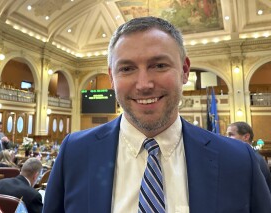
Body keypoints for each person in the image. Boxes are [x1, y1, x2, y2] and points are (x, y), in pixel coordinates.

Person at [43, 16, 271, 212]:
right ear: (112, 78)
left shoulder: (240, 160)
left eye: (159, 65)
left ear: (184, 70)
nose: (143, 84)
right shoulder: (75, 152)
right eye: (127, 68)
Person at [226, 121, 271, 193]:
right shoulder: (246, 157)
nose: (227, 138)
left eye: (231, 134)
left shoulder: (254, 159)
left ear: (246, 137)